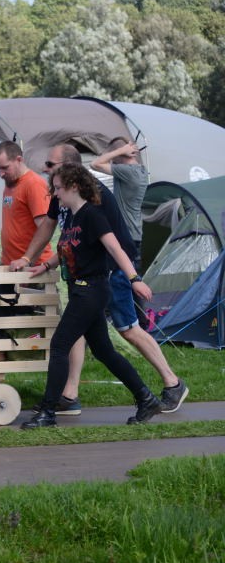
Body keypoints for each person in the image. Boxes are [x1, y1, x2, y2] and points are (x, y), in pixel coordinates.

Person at [10, 144, 187, 415]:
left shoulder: (93, 198)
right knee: (83, 335)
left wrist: (132, 278)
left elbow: (112, 245)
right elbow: (50, 225)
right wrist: (31, 259)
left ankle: (171, 382)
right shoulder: (61, 192)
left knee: (127, 329)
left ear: (70, 170)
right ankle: (70, 394)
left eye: (50, 164)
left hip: (108, 271)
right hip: (84, 276)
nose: (45, 169)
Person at [0, 141, 53, 266]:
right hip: (11, 264)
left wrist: (27, 260)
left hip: (32, 266)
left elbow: (45, 228)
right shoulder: (10, 183)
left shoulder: (33, 184)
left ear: (19, 160)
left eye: (4, 167)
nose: (1, 174)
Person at [91, 137, 148, 269]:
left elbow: (95, 164)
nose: (111, 160)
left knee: (122, 280)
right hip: (134, 233)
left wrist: (121, 150)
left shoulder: (128, 172)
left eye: (113, 156)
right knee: (132, 279)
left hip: (125, 235)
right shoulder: (140, 170)